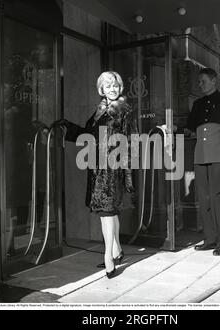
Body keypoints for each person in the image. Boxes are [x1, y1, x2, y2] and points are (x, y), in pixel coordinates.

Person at [55, 71, 137, 278]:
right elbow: (88, 135)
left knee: (107, 212)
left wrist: (126, 170)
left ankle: (108, 256)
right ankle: (117, 251)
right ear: (101, 89)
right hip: (98, 167)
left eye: (115, 85)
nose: (112, 89)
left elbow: (132, 140)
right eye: (108, 86)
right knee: (108, 211)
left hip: (113, 167)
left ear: (120, 88)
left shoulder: (124, 109)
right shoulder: (100, 111)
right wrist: (67, 127)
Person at [186, 68, 220, 256]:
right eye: (199, 81)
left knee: (218, 197)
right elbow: (190, 127)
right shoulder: (198, 104)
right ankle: (209, 239)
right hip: (201, 156)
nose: (199, 84)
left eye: (202, 81)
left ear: (213, 81)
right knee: (204, 198)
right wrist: (170, 127)